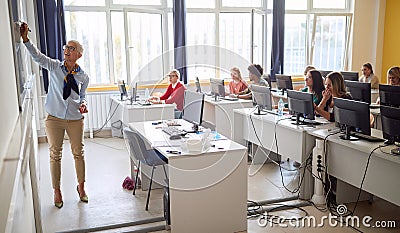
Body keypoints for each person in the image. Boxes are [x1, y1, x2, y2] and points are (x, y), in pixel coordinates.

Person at [20, 23, 89, 208]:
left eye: (71, 48)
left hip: (75, 118)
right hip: (54, 119)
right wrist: (26, 40)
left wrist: (83, 104)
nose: (67, 50)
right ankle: (56, 190)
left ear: (79, 55)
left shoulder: (83, 76)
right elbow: (38, 57)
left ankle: (81, 187)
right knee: (55, 154)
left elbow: (82, 96)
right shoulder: (55, 67)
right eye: (66, 47)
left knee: (78, 153)